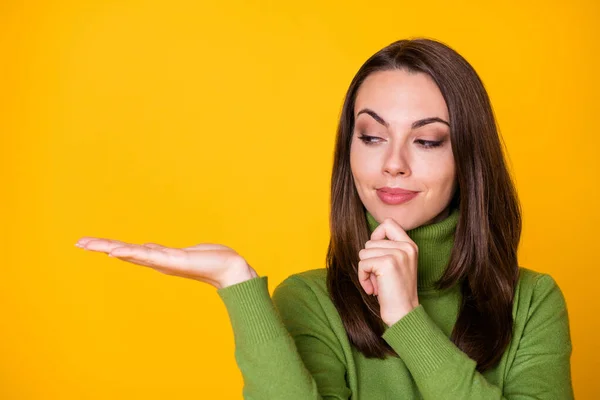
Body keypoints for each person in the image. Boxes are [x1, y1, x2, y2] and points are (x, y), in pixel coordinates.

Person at [75, 38, 574, 399]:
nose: (393, 162)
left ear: (469, 157)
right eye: (372, 136)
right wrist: (238, 284)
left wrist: (407, 320)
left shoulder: (532, 303)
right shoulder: (309, 300)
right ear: (349, 151)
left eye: (427, 140)